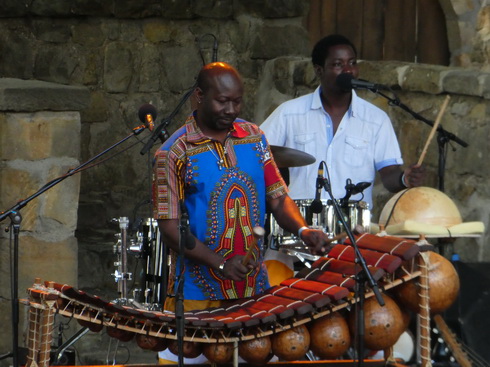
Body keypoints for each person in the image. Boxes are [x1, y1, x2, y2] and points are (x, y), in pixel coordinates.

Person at [153, 61, 331, 324]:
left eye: (237, 102)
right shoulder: (174, 152)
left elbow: (279, 198)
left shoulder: (254, 137)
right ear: (200, 97)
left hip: (253, 289)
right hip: (196, 294)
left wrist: (304, 230)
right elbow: (169, 228)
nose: (231, 110)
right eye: (223, 101)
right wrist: (221, 263)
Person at [260, 34, 425, 210]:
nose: (348, 70)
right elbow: (257, 152)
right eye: (338, 64)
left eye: (352, 63)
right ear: (319, 70)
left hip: (353, 226)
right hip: (300, 223)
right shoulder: (289, 113)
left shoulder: (376, 119)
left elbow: (389, 174)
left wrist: (404, 179)